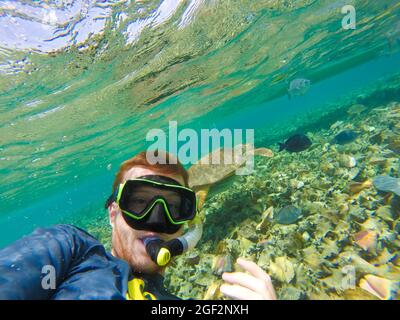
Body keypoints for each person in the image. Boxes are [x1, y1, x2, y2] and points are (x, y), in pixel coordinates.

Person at [0, 151, 276, 300]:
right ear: (113, 213)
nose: (156, 221)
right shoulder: (71, 250)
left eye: (174, 207)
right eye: (140, 203)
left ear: (185, 226)